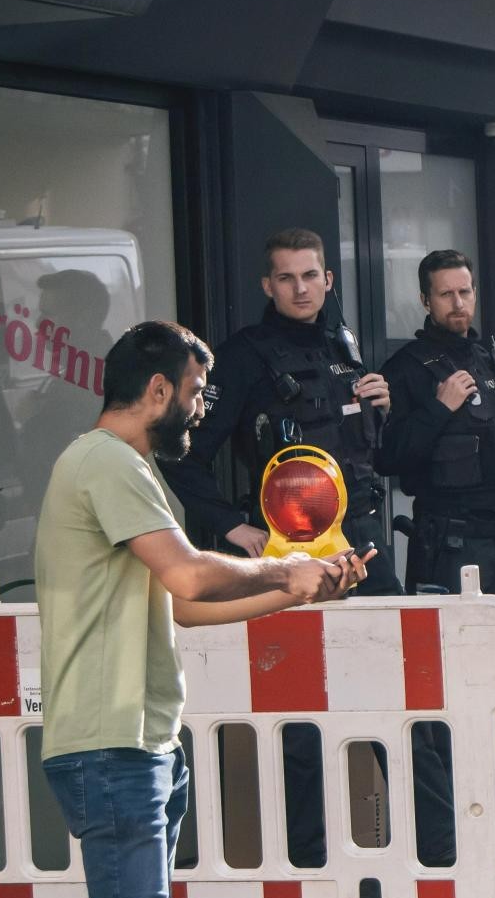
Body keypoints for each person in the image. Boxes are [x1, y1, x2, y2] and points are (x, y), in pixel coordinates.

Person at [34, 321, 365, 898]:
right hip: (107, 745)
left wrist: (301, 591)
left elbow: (182, 603)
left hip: (137, 737)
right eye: (195, 388)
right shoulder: (104, 462)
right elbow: (188, 568)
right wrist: (287, 566)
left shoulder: (126, 471)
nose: (203, 404)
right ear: (154, 390)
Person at [165, 230, 398, 865]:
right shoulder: (241, 357)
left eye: (311, 276)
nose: (301, 288)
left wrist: (383, 409)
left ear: (328, 280)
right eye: (287, 278)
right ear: (268, 286)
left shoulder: (344, 344)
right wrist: (235, 529)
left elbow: (374, 455)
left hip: (365, 549)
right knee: (299, 717)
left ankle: (409, 852)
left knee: (396, 695)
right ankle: (308, 861)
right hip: (291, 562)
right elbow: (183, 457)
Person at [379, 249, 495, 830]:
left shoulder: (488, 356)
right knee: (446, 681)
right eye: (446, 294)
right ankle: (450, 810)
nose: (458, 303)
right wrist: (440, 409)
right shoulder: (406, 367)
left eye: (465, 292)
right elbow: (391, 459)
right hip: (446, 544)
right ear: (425, 300)